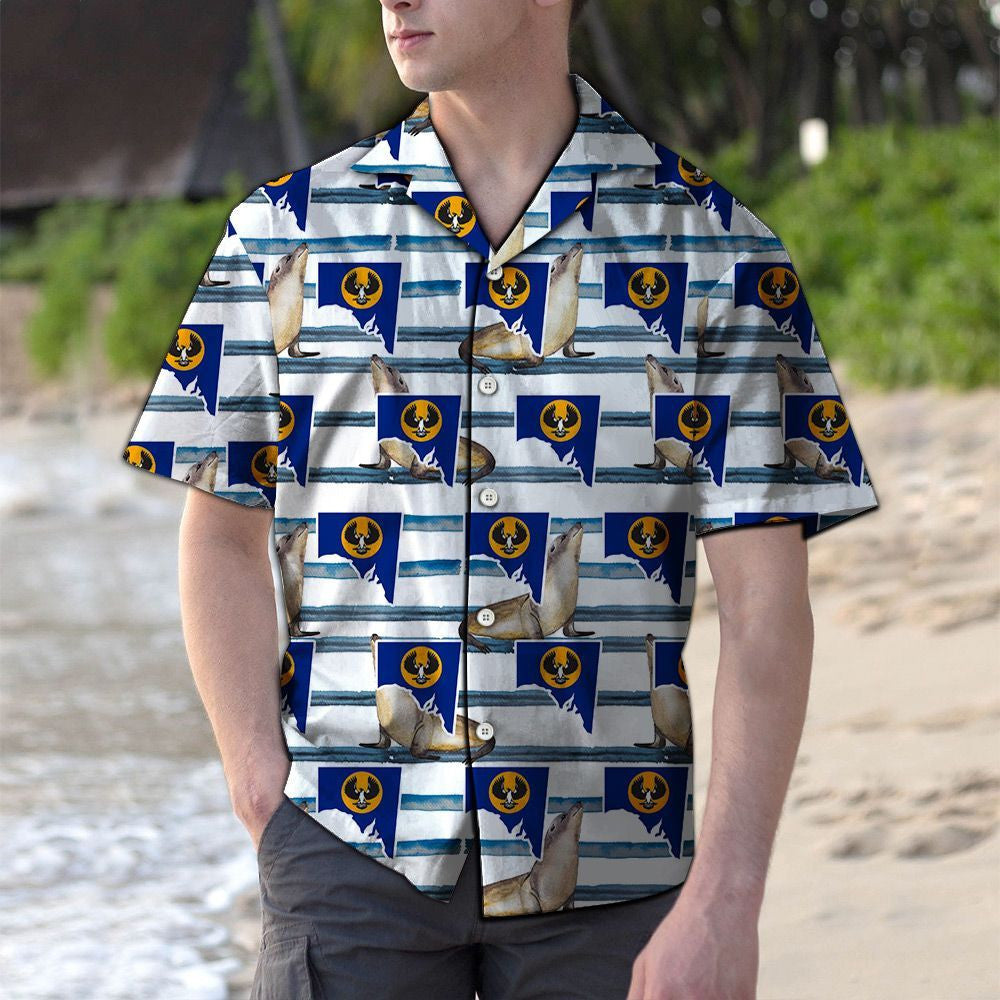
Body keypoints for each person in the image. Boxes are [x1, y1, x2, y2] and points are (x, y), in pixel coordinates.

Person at [120, 0, 880, 996]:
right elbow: (219, 531)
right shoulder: (282, 235)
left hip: (616, 865)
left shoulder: (716, 252)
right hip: (346, 851)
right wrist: (256, 779)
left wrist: (727, 903)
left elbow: (764, 603)